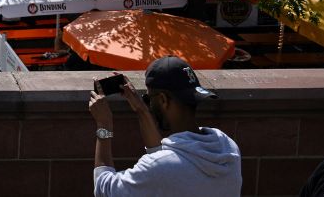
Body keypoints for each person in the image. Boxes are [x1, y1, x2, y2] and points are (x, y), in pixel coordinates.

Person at [88, 55, 242, 197]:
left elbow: (104, 188)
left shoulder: (161, 168)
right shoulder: (228, 146)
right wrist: (142, 110)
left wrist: (104, 125)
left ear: (163, 100)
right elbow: (166, 158)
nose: (149, 104)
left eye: (149, 99)